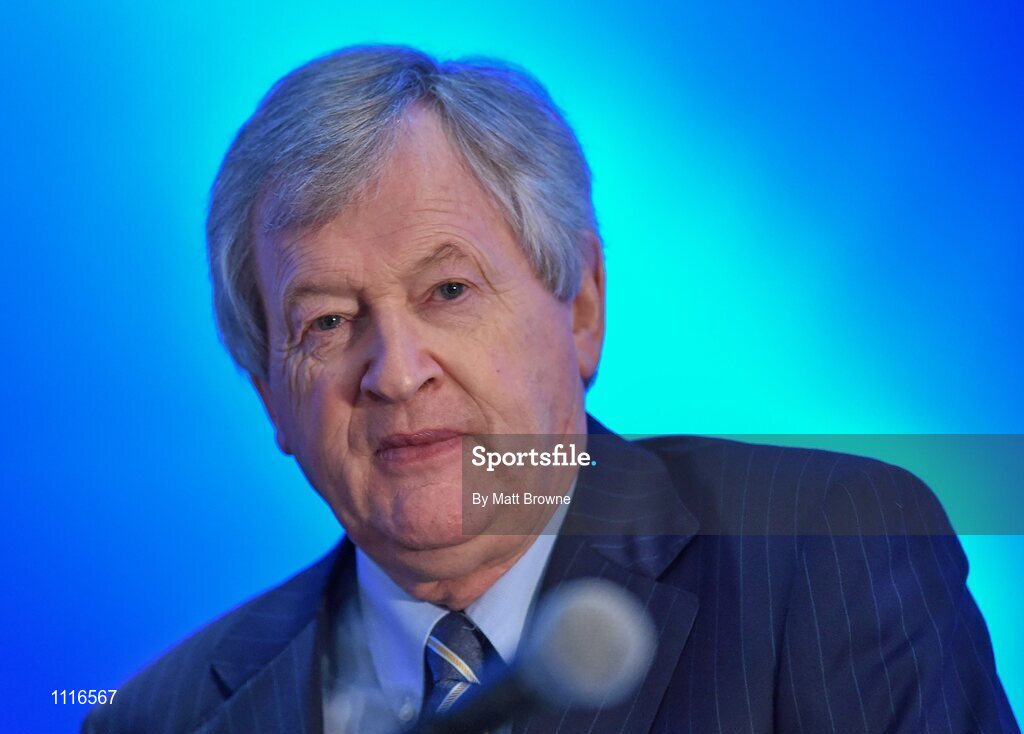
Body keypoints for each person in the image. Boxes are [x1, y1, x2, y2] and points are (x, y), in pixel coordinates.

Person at [82, 45, 1019, 734]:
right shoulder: (153, 720)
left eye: (448, 291)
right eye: (327, 322)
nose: (397, 373)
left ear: (582, 310)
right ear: (267, 395)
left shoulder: (825, 554)